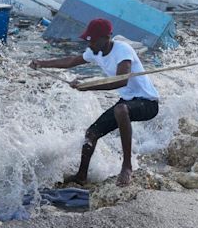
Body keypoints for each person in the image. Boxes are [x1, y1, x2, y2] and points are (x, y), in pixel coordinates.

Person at [29, 18, 159, 187]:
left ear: (107, 37)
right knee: (91, 133)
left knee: (120, 110)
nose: (90, 45)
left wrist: (88, 86)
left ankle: (127, 166)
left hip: (148, 103)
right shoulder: (95, 51)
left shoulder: (123, 50)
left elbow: (121, 81)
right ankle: (81, 175)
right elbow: (71, 61)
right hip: (127, 102)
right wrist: (42, 63)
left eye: (94, 41)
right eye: (89, 41)